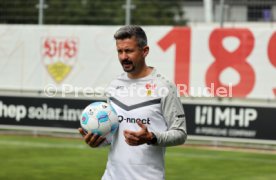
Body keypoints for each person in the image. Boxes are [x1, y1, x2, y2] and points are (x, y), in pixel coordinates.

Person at [79, 25, 187, 180]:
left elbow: (180, 134)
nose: (123, 57)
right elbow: (113, 135)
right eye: (119, 51)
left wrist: (151, 137)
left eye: (129, 51)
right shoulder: (114, 86)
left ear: (145, 51)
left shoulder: (164, 87)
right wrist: (98, 141)